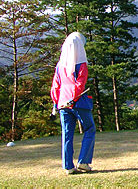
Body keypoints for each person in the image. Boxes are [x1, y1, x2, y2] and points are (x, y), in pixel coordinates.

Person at [50, 32, 96, 174]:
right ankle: (83, 161)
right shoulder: (81, 64)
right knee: (89, 129)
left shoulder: (59, 66)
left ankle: (68, 166)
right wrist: (73, 98)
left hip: (63, 103)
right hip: (78, 102)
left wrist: (57, 102)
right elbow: (80, 85)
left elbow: (55, 87)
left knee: (67, 133)